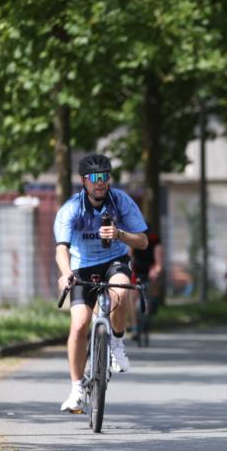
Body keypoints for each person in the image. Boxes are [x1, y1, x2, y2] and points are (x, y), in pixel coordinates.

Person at [55, 154, 149, 413]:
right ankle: (76, 388)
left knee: (119, 292)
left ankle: (117, 343)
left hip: (114, 260)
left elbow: (143, 241)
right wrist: (65, 273)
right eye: (95, 178)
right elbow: (61, 248)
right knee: (78, 325)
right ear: (83, 181)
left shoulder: (121, 201)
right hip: (81, 265)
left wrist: (120, 234)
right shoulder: (72, 208)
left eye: (105, 177)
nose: (100, 183)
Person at [129, 227, 163, 338]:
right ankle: (135, 327)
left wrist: (156, 270)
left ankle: (153, 304)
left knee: (152, 286)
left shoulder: (154, 240)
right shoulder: (133, 239)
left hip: (149, 270)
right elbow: (129, 256)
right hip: (136, 270)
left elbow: (159, 262)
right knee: (132, 298)